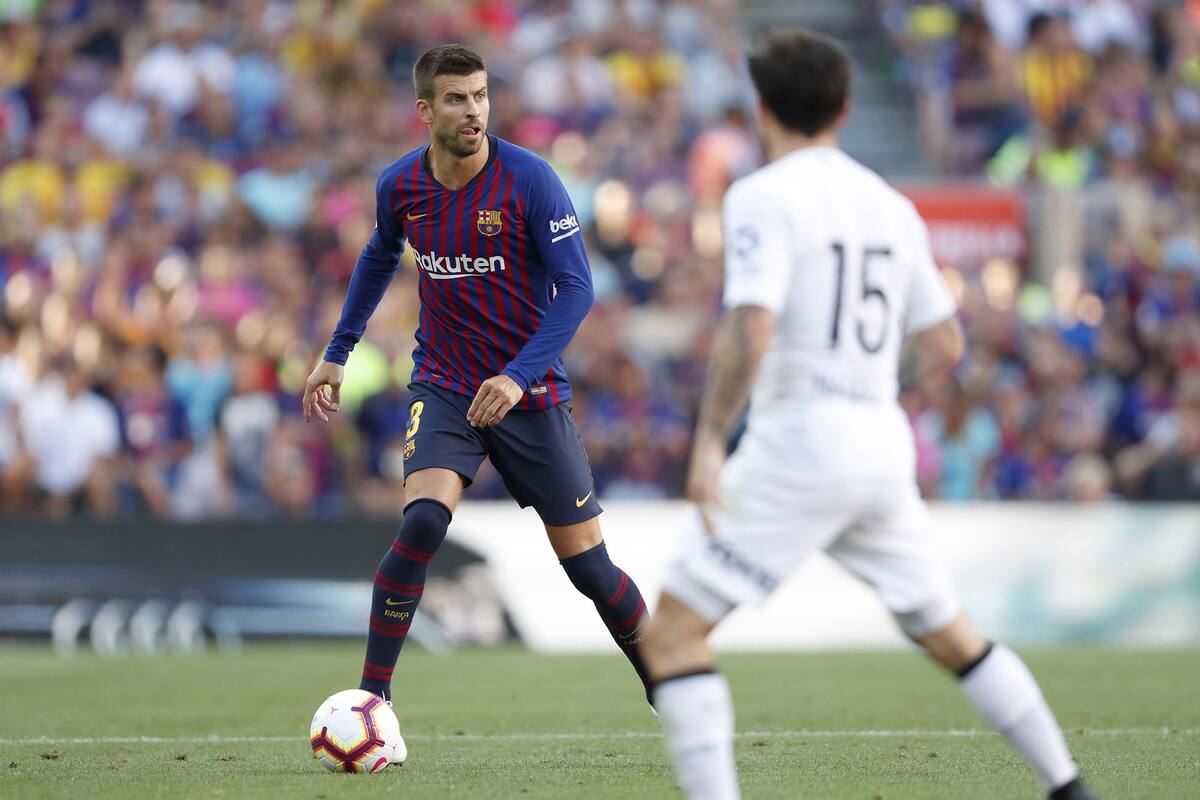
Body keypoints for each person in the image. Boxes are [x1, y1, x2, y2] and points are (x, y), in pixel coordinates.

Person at [638, 28, 1096, 800]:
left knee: (674, 636)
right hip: (883, 444)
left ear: (761, 108)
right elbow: (947, 343)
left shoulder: (761, 194)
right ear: (845, 109)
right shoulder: (892, 204)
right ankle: (1068, 786)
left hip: (798, 441)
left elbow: (751, 323)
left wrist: (712, 438)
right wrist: (875, 382)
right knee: (953, 635)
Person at [301, 44, 652, 712]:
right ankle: (373, 703)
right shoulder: (401, 187)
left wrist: (519, 377)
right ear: (425, 109)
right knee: (424, 523)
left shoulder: (531, 180)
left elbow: (576, 289)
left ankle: (672, 683)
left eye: (482, 96)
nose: (474, 111)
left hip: (531, 392)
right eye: (458, 98)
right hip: (446, 383)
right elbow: (378, 257)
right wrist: (339, 349)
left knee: (590, 570)